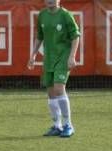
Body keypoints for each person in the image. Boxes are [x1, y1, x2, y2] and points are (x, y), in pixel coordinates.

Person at [27, 0, 80, 138]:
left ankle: (68, 125)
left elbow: (75, 36)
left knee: (58, 89)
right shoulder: (42, 15)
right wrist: (33, 55)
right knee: (50, 93)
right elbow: (39, 37)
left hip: (63, 57)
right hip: (48, 59)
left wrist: (72, 57)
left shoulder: (65, 15)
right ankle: (57, 125)